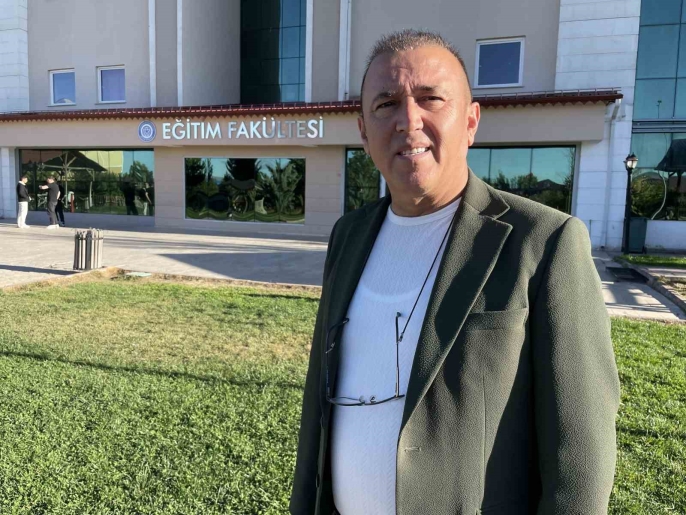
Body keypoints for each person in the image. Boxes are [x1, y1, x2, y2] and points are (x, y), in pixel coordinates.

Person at [291, 30, 620, 515]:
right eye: (386, 103)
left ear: (470, 121)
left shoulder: (544, 242)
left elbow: (581, 460)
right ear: (362, 130)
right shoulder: (348, 235)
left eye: (430, 99)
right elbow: (317, 404)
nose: (408, 120)